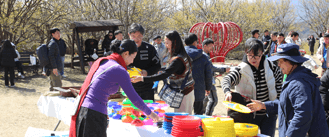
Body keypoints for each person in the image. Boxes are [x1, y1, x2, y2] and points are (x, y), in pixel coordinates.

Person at [69, 39, 159, 137]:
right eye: (133, 57)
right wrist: (151, 114)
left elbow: (98, 90)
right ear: (126, 53)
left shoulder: (105, 62)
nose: (133, 61)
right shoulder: (119, 69)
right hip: (94, 114)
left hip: (84, 110)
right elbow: (134, 98)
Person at [247, 43, 329, 137]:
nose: (278, 65)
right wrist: (263, 105)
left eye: (281, 62)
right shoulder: (295, 77)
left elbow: (302, 114)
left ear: (291, 61)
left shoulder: (298, 83)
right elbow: (286, 104)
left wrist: (290, 135)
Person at [221, 39, 282, 137]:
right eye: (250, 55)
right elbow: (227, 79)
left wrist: (277, 102)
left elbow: (279, 83)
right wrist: (227, 91)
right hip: (248, 115)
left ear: (262, 53)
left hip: (268, 114)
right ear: (246, 53)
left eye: (256, 55)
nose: (253, 58)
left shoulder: (271, 66)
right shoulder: (241, 69)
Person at [131, 31, 195, 114]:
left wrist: (142, 78)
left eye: (167, 43)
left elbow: (164, 75)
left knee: (183, 119)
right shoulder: (182, 54)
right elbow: (171, 71)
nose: (166, 46)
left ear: (175, 43)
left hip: (184, 94)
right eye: (165, 43)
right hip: (187, 92)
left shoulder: (177, 60)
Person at [128, 23, 161, 101]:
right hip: (130, 89)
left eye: (139, 36)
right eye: (133, 36)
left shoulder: (150, 48)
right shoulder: (123, 49)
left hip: (147, 88)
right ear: (129, 35)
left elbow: (157, 65)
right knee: (132, 112)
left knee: (148, 112)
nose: (137, 39)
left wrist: (147, 72)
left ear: (143, 35)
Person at [184, 33, 212, 115]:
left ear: (185, 43)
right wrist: (208, 87)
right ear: (195, 42)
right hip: (198, 88)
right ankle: (197, 127)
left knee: (183, 114)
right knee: (198, 114)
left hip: (183, 89)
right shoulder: (203, 56)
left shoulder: (179, 55)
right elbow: (208, 74)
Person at [202, 38, 230, 116]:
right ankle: (207, 116)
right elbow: (211, 68)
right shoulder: (205, 56)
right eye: (210, 46)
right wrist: (224, 69)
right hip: (208, 80)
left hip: (205, 80)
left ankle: (200, 114)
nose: (212, 48)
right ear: (205, 46)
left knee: (205, 99)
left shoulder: (203, 55)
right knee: (214, 100)